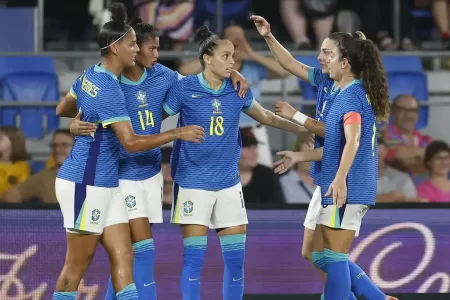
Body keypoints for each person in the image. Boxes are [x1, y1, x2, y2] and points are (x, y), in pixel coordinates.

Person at [69, 16, 248, 300]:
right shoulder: (107, 79)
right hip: (119, 172)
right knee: (142, 251)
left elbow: (199, 83)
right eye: (151, 48)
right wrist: (73, 124)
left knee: (125, 255)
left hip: (150, 172)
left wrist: (232, 74)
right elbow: (70, 108)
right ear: (133, 49)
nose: (157, 54)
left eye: (157, 48)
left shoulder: (162, 75)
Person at [53, 3, 204, 300]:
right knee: (77, 265)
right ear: (115, 47)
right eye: (132, 44)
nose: (137, 49)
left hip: (107, 182)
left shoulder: (89, 74)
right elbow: (131, 143)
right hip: (85, 180)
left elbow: (62, 108)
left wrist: (78, 121)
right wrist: (177, 132)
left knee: (124, 256)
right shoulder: (110, 89)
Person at [251, 15, 398, 300]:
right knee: (318, 254)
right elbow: (336, 142)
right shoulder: (337, 85)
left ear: (345, 62)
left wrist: (296, 116)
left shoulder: (350, 95)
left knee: (333, 257)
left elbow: (350, 139)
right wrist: (300, 156)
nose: (320, 58)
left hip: (344, 182)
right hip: (331, 177)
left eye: (327, 53)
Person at [163, 25, 309, 300]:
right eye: (226, 55)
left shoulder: (237, 89)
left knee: (235, 262)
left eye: (233, 56)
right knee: (194, 262)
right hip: (193, 183)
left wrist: (301, 129)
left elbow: (266, 117)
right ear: (207, 58)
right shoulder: (185, 88)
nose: (232, 60)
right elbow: (153, 119)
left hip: (229, 184)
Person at [1, 129, 73, 204]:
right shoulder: (44, 177)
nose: (57, 150)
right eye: (54, 145)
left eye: (64, 145)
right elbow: (10, 195)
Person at [0, 126, 29, 197]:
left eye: (0, 138)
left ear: (14, 141)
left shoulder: (22, 167)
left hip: (11, 206)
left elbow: (21, 192)